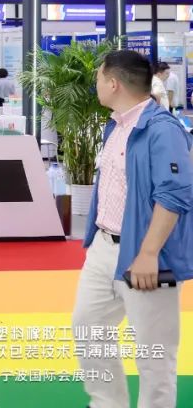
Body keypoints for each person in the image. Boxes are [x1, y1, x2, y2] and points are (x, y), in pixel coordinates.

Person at [73, 50, 192, 408]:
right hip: (103, 247)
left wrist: (149, 253)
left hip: (146, 253)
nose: (95, 84)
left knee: (154, 351)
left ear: (113, 83)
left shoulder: (163, 130)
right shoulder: (116, 126)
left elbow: (173, 195)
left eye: (98, 78)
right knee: (89, 330)